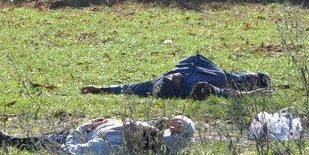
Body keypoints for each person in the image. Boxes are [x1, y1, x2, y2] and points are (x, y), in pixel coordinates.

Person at [0, 115, 196, 155]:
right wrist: (183, 123)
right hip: (98, 127)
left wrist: (82, 128)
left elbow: (73, 152)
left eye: (132, 129)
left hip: (79, 137)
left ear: (134, 141)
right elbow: (187, 138)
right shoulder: (160, 140)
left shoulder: (107, 147)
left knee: (48, 141)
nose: (130, 124)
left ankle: (8, 141)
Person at [81, 54, 270, 100]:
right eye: (173, 79)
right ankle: (257, 79)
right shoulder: (194, 88)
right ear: (177, 86)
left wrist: (100, 88)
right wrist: (254, 93)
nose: (172, 76)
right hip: (218, 75)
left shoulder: (156, 83)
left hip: (197, 61)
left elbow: (128, 88)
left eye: (170, 77)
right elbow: (223, 92)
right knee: (236, 78)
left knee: (227, 75)